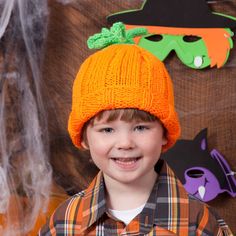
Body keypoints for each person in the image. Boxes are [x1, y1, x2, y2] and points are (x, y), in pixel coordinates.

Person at [39, 44, 233, 235]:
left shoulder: (200, 223)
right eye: (107, 130)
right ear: (84, 138)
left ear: (165, 134)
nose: (125, 143)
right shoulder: (63, 224)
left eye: (140, 128)